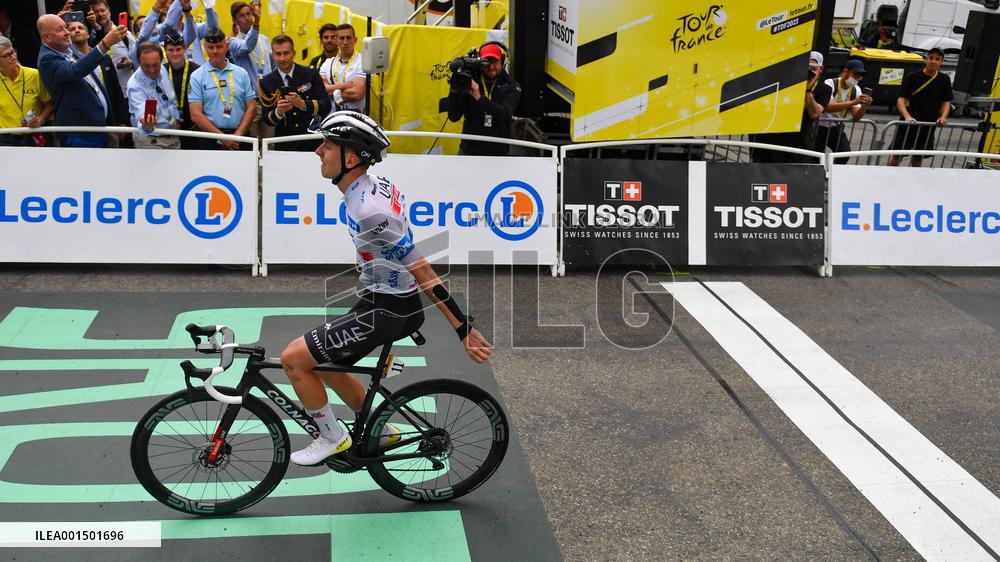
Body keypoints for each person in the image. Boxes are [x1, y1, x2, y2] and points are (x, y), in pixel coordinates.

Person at [280, 110, 493, 466]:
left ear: (351, 157)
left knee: (294, 360)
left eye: (327, 145)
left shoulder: (370, 209)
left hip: (391, 308)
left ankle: (332, 437)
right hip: (381, 299)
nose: (318, 151)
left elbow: (422, 268)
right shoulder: (367, 187)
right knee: (328, 364)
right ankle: (383, 429)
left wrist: (463, 327)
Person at [37, 14, 128, 148]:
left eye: (65, 27)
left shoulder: (67, 50)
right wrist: (105, 43)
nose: (67, 32)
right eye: (60, 29)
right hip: (81, 134)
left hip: (100, 127)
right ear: (47, 37)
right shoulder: (47, 59)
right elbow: (77, 70)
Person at [750, 51, 831, 164]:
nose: (809, 72)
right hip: (775, 139)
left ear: (820, 69)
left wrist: (808, 89)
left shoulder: (824, 89)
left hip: (800, 143)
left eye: (813, 68)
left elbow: (814, 113)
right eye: (806, 67)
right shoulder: (790, 81)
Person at [446, 42, 521, 156]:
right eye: (487, 63)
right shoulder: (470, 80)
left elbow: (503, 113)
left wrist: (479, 97)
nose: (491, 67)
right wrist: (455, 89)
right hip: (469, 150)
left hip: (498, 153)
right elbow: (453, 116)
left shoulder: (512, 86)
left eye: (495, 61)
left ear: (503, 61)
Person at [187, 28, 257, 150]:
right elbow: (195, 114)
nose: (215, 51)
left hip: (240, 137)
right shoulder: (197, 76)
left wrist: (237, 136)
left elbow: (251, 107)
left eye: (219, 47)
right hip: (210, 140)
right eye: (211, 47)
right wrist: (221, 137)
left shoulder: (242, 73)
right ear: (205, 47)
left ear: (226, 46)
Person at [260, 34, 330, 151]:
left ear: (294, 53)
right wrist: (278, 112)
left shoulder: (310, 74)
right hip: (284, 142)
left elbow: (326, 105)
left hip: (311, 141)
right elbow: (266, 118)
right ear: (272, 56)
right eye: (278, 54)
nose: (282, 58)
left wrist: (303, 104)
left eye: (286, 53)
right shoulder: (266, 81)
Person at [888, 47, 953, 167]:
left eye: (937, 59)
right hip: (908, 124)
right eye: (931, 58)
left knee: (918, 157)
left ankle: (913, 182)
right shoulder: (912, 77)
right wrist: (907, 117)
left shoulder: (944, 79)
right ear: (926, 59)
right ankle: (886, 179)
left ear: (942, 62)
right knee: (897, 156)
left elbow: (946, 102)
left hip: (927, 125)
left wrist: (943, 117)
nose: (933, 61)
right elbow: (901, 100)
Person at [67, 18, 128, 131]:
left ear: (88, 34)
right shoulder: (68, 61)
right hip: (85, 123)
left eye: (80, 28)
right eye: (72, 29)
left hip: (110, 118)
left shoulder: (103, 57)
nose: (77, 30)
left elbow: (116, 88)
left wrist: (123, 120)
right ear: (68, 36)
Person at [815, 59, 872, 164]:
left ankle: (831, 173)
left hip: (836, 127)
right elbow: (829, 107)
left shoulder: (856, 89)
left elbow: (856, 117)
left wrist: (864, 106)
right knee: (815, 157)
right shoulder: (830, 83)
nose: (857, 78)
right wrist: (853, 102)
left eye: (860, 76)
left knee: (844, 153)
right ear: (846, 71)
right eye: (855, 74)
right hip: (820, 127)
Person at [0, 36, 53, 147]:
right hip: (6, 139)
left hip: (35, 136)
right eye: (7, 56)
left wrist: (40, 119)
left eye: (13, 52)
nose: (14, 57)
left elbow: (49, 105)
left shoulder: (34, 75)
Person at [127, 41, 180, 149]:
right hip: (151, 141)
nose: (152, 70)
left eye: (155, 65)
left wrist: (177, 119)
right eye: (146, 66)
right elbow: (140, 112)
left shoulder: (163, 70)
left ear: (161, 60)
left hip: (173, 137)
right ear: (139, 62)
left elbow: (171, 100)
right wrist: (146, 125)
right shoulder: (135, 85)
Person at [162, 28, 199, 149]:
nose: (175, 53)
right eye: (171, 50)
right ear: (165, 51)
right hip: (170, 128)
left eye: (178, 49)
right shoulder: (161, 71)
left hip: (194, 128)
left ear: (184, 48)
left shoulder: (197, 71)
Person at [318, 24, 365, 112]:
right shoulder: (327, 63)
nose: (345, 42)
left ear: (355, 40)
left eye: (349, 38)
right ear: (337, 40)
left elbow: (357, 93)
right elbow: (320, 91)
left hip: (355, 118)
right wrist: (345, 86)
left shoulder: (362, 61)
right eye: (342, 38)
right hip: (330, 119)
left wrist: (334, 92)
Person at [229, 2, 271, 83]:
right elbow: (247, 47)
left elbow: (273, 65)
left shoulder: (264, 39)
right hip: (249, 93)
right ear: (235, 21)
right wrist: (256, 22)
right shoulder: (233, 42)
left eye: (248, 14)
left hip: (269, 92)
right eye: (242, 16)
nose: (247, 18)